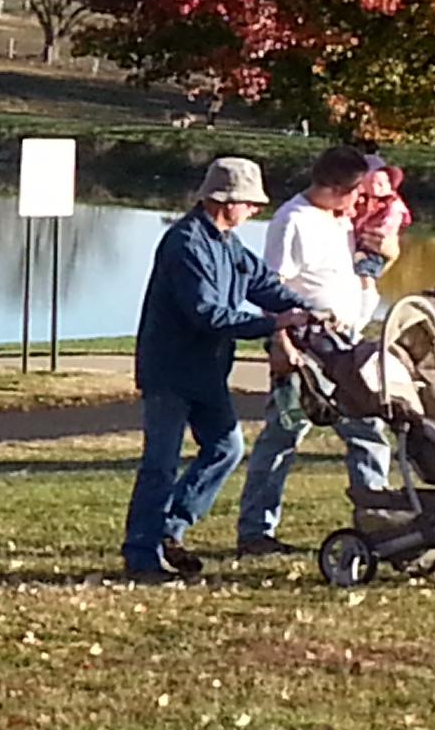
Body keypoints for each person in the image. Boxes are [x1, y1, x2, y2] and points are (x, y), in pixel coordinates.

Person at [125, 156, 313, 583]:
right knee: (160, 464)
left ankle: (170, 529)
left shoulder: (227, 243)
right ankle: (141, 555)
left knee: (226, 448)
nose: (254, 210)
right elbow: (208, 314)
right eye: (248, 202)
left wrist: (306, 309)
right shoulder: (186, 243)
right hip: (170, 373)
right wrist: (274, 323)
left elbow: (262, 283)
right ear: (222, 201)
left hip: (208, 372)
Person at [234, 146, 398, 557]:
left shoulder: (341, 220)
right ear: (333, 188)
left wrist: (388, 256)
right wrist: (280, 343)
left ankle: (374, 520)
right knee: (284, 433)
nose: (362, 201)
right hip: (309, 349)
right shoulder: (292, 221)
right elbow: (271, 289)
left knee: (368, 430)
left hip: (347, 345)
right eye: (356, 193)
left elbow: (359, 273)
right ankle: (256, 531)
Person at [352, 155, 410, 283]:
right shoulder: (358, 204)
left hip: (368, 250)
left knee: (366, 273)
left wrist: (392, 253)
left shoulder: (392, 206)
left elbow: (387, 232)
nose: (373, 187)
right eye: (369, 182)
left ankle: (367, 295)